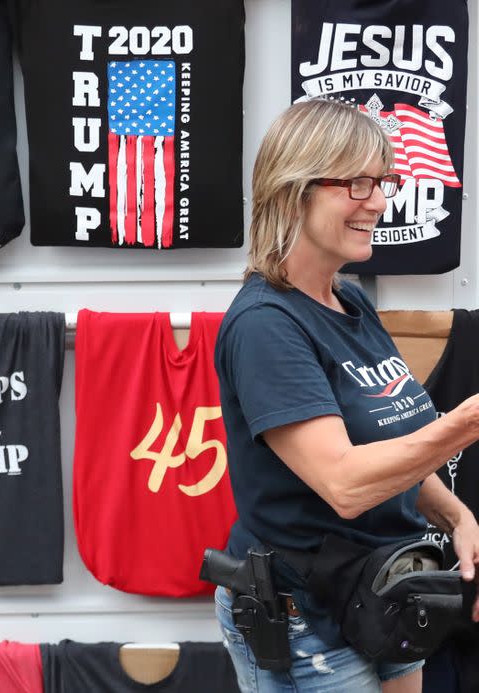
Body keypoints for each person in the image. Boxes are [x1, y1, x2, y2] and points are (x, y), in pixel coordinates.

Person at [214, 99, 479, 693]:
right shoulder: (266, 325)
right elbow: (346, 484)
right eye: (357, 182)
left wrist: (459, 517)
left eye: (382, 182)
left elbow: (398, 447)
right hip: (300, 616)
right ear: (295, 188)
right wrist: (468, 421)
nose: (380, 202)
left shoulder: (349, 298)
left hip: (383, 588)